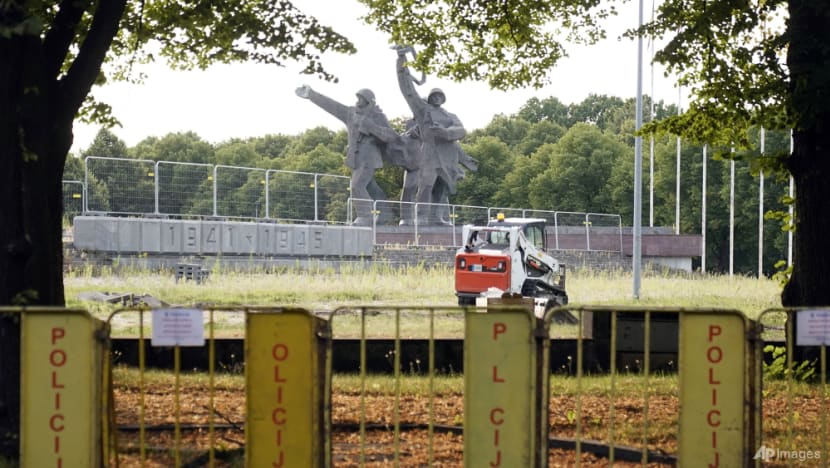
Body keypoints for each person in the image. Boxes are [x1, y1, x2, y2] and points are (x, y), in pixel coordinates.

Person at [295, 85, 398, 226]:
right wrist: (312, 95)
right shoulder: (351, 113)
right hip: (356, 157)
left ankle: (365, 216)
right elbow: (332, 106)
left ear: (369, 101)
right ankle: (385, 213)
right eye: (358, 97)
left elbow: (391, 136)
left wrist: (371, 127)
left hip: (369, 156)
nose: (358, 100)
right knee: (370, 187)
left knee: (357, 186)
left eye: (362, 98)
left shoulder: (378, 117)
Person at [394, 47, 475, 225]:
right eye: (434, 96)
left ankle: (436, 217)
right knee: (426, 186)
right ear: (429, 98)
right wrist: (401, 61)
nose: (437, 98)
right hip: (429, 156)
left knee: (442, 187)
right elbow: (407, 89)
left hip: (447, 158)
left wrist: (446, 132)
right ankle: (422, 216)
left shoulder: (450, 116)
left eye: (440, 96)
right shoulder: (422, 111)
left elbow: (461, 130)